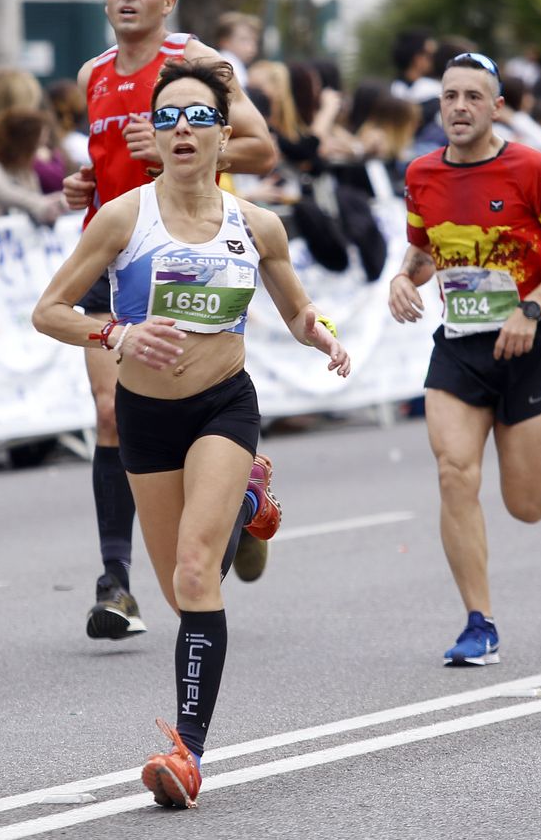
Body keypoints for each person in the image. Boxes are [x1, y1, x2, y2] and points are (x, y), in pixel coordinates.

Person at [34, 59, 350, 809]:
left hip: (222, 407)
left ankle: (188, 751)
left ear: (223, 135)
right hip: (146, 418)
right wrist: (118, 332)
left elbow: (303, 311)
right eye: (168, 115)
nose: (181, 127)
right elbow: (48, 311)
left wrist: (327, 337)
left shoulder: (257, 224)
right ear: (154, 133)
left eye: (198, 117)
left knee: (195, 571)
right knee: (185, 591)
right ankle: (249, 505)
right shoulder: (123, 218)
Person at [61, 0, 281, 642]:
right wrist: (85, 183)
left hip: (183, 259)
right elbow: (109, 164)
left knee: (182, 412)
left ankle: (238, 501)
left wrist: (168, 146)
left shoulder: (196, 64)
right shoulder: (93, 72)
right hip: (112, 257)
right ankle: (115, 582)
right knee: (108, 413)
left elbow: (260, 147)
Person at [387, 52, 541, 667]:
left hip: (530, 345)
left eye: (472, 97)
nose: (458, 107)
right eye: (449, 96)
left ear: (495, 106)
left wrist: (531, 309)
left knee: (526, 506)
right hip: (461, 347)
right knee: (455, 473)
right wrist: (405, 278)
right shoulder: (422, 173)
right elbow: (426, 252)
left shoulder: (531, 169)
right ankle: (479, 623)